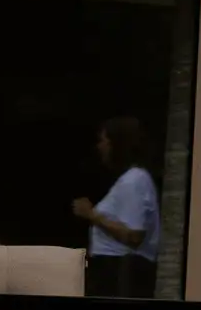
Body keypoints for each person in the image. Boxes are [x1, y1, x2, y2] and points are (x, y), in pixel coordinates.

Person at [68, 115, 160, 298]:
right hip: (116, 271)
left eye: (104, 141)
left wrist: (92, 215)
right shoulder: (129, 180)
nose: (100, 147)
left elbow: (134, 235)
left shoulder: (134, 181)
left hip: (123, 273)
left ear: (117, 144)